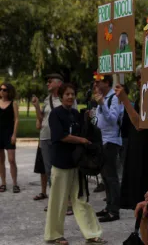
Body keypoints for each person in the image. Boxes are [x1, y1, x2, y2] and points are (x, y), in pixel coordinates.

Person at [44, 83, 107, 245]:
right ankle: (54, 235)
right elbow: (61, 136)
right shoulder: (55, 114)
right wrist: (82, 140)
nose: (71, 97)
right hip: (61, 164)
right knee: (58, 201)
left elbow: (85, 130)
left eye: (72, 94)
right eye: (67, 94)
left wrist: (87, 119)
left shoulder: (75, 113)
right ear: (61, 96)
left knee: (81, 200)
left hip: (77, 164)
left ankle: (92, 233)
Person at [116, 64, 148, 210]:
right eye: (138, 78)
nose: (139, 81)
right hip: (137, 149)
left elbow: (139, 124)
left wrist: (125, 100)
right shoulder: (141, 97)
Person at [32, 74, 74, 214]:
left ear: (58, 83)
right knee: (50, 171)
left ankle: (68, 202)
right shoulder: (47, 99)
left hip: (59, 139)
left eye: (50, 82)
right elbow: (41, 119)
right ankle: (54, 201)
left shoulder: (67, 98)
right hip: (44, 138)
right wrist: (37, 106)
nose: (47, 84)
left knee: (62, 170)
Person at [94, 74, 123, 222]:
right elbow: (100, 120)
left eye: (99, 82)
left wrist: (101, 105)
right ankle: (108, 206)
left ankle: (114, 211)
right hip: (102, 141)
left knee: (111, 177)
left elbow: (112, 120)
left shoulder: (114, 98)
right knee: (105, 176)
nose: (96, 84)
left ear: (107, 83)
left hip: (111, 141)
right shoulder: (103, 99)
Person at [0, 82, 19, 193]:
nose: (2, 91)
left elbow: (16, 119)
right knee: (1, 161)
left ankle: (15, 184)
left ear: (9, 91)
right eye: (0, 89)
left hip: (9, 134)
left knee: (11, 160)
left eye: (4, 90)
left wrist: (14, 134)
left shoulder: (13, 103)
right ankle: (3, 183)